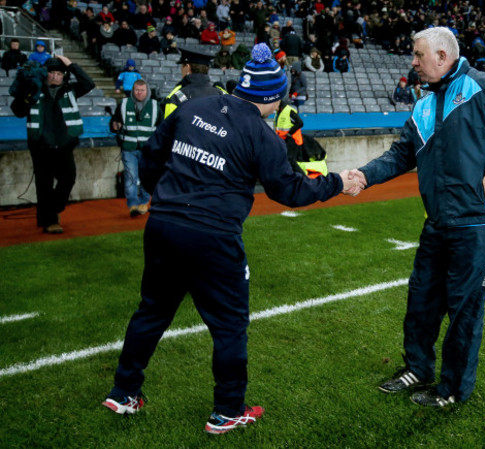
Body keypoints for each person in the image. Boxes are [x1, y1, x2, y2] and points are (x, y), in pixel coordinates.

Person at [102, 43, 359, 434]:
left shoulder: (191, 107)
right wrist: (338, 182)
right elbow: (288, 191)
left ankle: (123, 392)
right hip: (213, 237)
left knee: (152, 311)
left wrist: (165, 198)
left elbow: (152, 157)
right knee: (229, 326)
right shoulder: (261, 134)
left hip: (164, 225)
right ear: (272, 97)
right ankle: (227, 410)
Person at [345, 27, 485, 408]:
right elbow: (401, 154)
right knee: (421, 301)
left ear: (442, 55)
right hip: (438, 223)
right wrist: (365, 175)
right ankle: (417, 368)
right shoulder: (422, 104)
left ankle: (452, 390)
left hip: (479, 224)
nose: (413, 62)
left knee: (464, 311)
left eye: (418, 55)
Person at [10, 55, 95, 234]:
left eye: (59, 73)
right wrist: (27, 96)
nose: (55, 76)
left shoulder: (70, 90)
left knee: (68, 179)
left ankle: (49, 211)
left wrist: (70, 64)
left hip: (64, 144)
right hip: (40, 146)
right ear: (44, 74)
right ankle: (49, 221)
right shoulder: (34, 90)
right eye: (52, 73)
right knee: (44, 185)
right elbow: (17, 110)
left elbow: (89, 83)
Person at [110, 79, 162, 217]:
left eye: (142, 90)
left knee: (146, 177)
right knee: (130, 177)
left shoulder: (156, 106)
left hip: (148, 151)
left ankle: (144, 202)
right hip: (129, 148)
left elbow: (162, 128)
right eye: (137, 90)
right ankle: (132, 205)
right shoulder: (124, 104)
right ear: (133, 91)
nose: (139, 93)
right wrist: (115, 126)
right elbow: (114, 121)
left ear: (147, 91)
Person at [163, 47, 223, 118]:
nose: (181, 69)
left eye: (182, 66)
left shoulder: (178, 97)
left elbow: (168, 126)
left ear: (188, 67)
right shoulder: (221, 95)